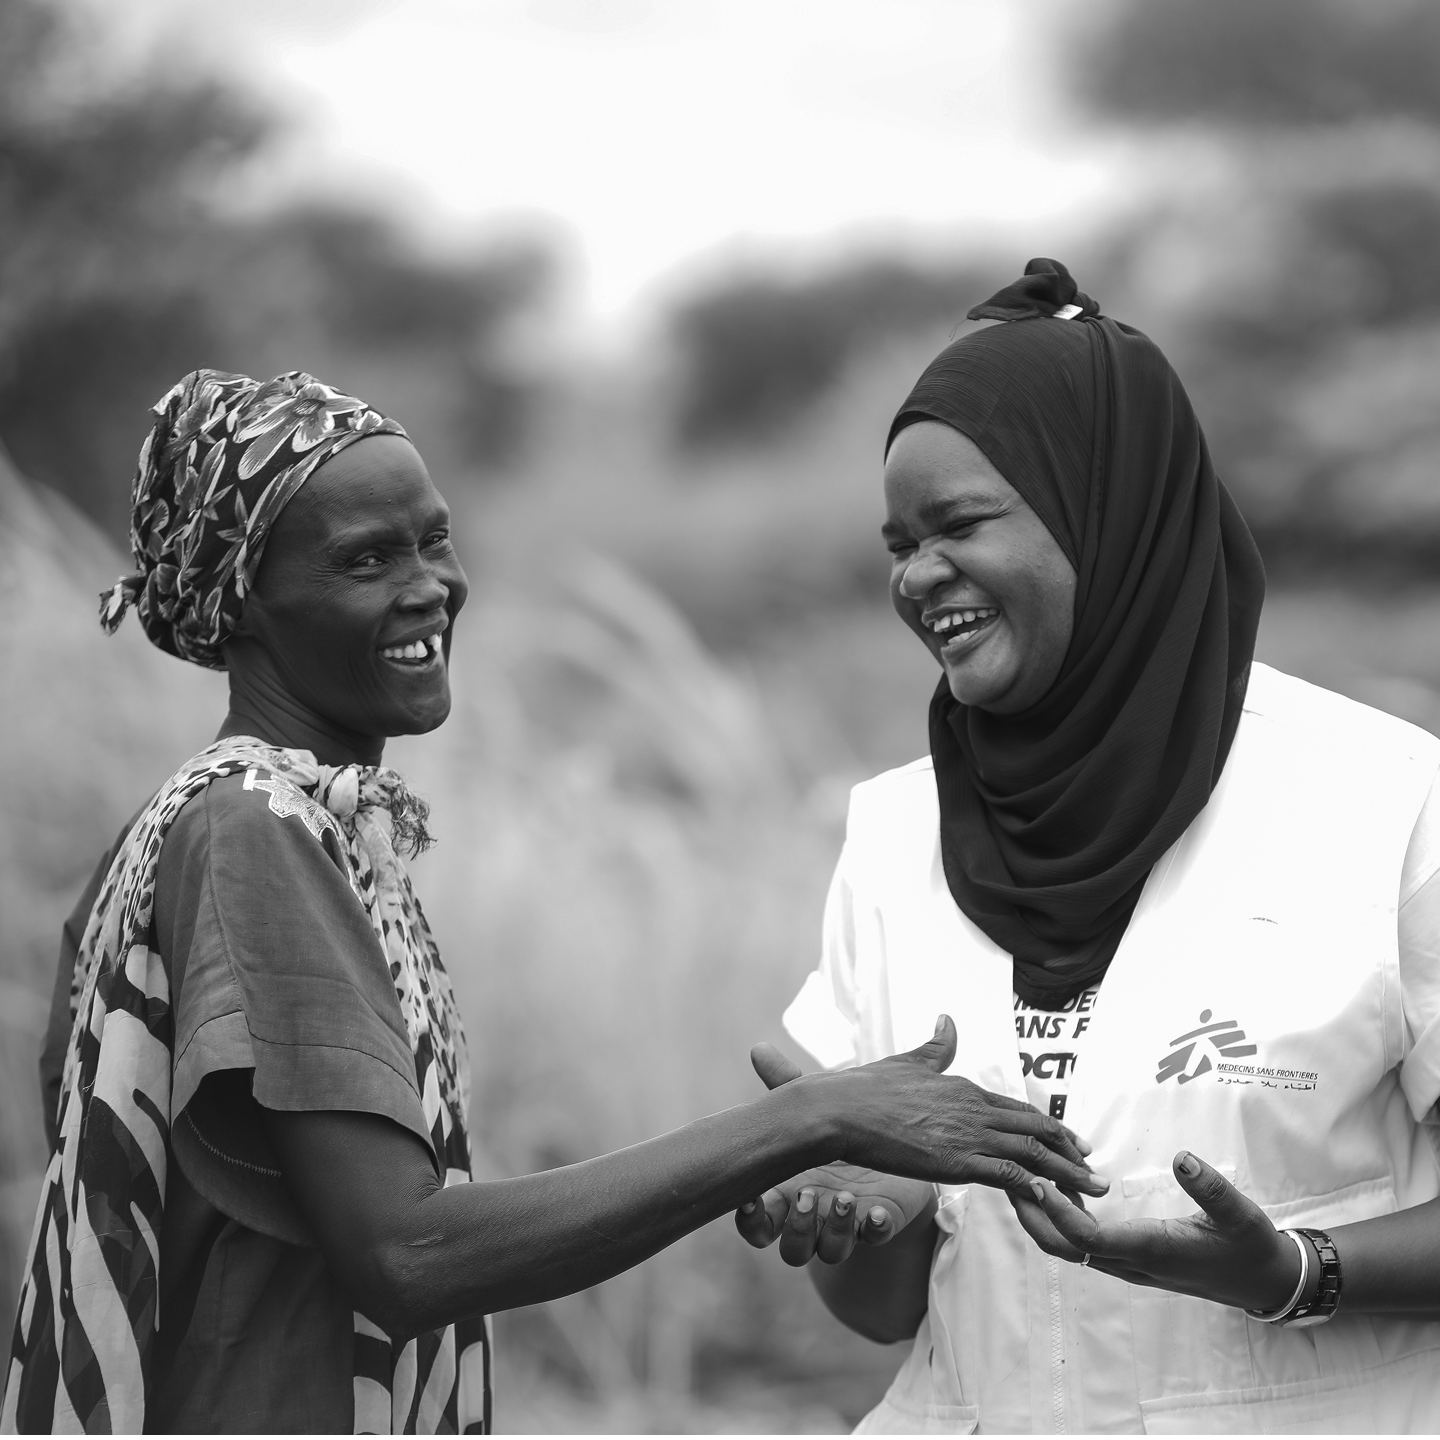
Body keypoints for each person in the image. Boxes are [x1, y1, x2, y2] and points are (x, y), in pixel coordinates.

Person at [1, 368, 1105, 1436]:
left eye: (435, 538)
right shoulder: (254, 830)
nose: (430, 585)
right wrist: (813, 1118)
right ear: (243, 599)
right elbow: (409, 1255)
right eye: (366, 558)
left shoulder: (206, 822)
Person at [738, 260, 1440, 1433]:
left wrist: (1300, 1272)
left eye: (959, 524)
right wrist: (863, 1212)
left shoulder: (1383, 800)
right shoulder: (896, 829)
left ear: (1108, 513)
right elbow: (878, 1313)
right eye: (899, 543)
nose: (917, 577)